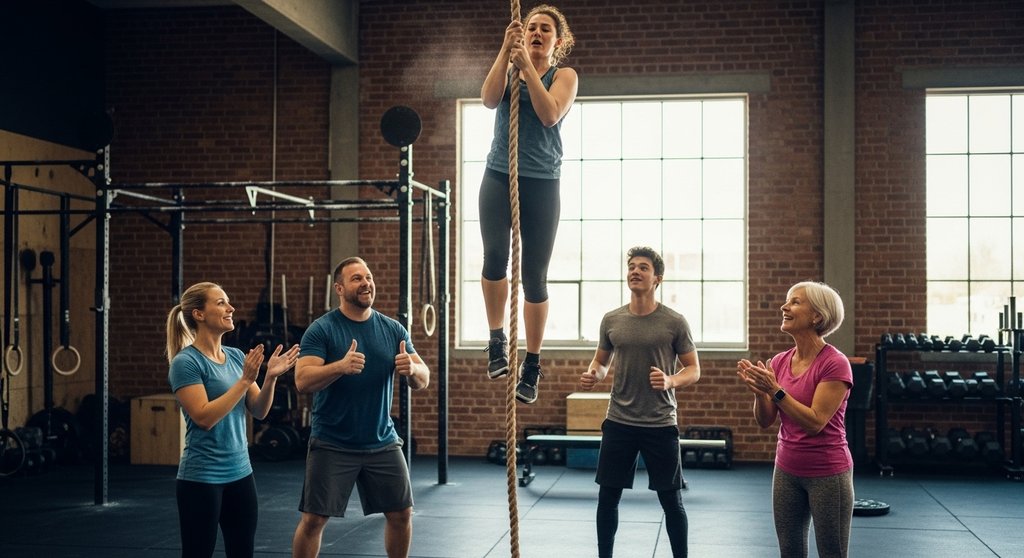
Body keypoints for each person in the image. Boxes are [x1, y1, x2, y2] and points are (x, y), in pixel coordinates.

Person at [291, 257, 430, 558]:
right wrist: (339, 366)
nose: (366, 283)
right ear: (339, 288)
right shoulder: (322, 329)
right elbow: (302, 380)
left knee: (401, 513)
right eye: (356, 279)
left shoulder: (393, 330)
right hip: (332, 441)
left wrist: (413, 370)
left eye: (368, 276)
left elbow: (423, 378)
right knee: (314, 519)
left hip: (381, 440)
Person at [479, 4, 578, 404]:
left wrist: (529, 69)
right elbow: (488, 100)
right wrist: (506, 52)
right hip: (498, 175)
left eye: (545, 30)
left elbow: (550, 113)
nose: (537, 33)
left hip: (541, 183)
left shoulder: (564, 76)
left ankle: (532, 364)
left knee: (534, 277)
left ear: (558, 40)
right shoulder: (510, 64)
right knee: (493, 257)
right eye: (531, 27)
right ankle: (496, 340)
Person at [579, 246, 701, 558]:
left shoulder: (674, 322)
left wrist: (671, 380)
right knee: (608, 497)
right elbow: (601, 362)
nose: (635, 271)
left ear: (657, 278)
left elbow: (694, 369)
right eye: (632, 266)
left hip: (660, 422)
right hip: (619, 420)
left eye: (643, 267)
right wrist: (595, 374)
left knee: (671, 500)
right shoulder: (612, 319)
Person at [166, 282, 300, 558]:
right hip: (201, 478)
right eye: (221, 303)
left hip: (241, 474)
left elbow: (260, 411)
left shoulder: (237, 357)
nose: (231, 308)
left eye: (228, 302)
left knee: (242, 552)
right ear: (199, 314)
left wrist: (270, 377)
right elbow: (204, 417)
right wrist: (245, 380)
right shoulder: (186, 362)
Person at [736, 281, 854, 558]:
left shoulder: (834, 363)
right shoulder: (779, 361)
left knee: (832, 553)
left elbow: (815, 422)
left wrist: (775, 390)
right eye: (787, 301)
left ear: (817, 316)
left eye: (795, 302)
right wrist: (760, 394)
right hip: (786, 471)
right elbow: (766, 421)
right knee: (789, 552)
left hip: (828, 473)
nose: (784, 307)